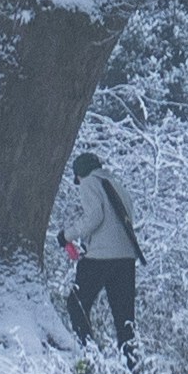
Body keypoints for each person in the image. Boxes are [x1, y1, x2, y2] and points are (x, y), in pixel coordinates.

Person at [49, 146, 142, 355]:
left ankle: (88, 355)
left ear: (80, 174)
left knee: (77, 304)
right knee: (125, 319)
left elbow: (94, 217)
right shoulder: (117, 186)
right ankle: (133, 367)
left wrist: (67, 235)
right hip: (126, 258)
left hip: (100, 257)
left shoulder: (89, 182)